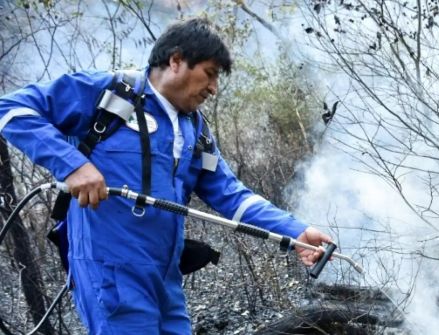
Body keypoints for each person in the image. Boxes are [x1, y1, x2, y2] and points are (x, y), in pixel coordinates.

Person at [0, 17, 331, 334]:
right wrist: (72, 165)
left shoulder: (195, 129)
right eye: (210, 74)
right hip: (113, 275)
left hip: (166, 278)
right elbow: (12, 109)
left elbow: (231, 195)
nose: (214, 88)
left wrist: (297, 231)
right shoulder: (108, 93)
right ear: (176, 60)